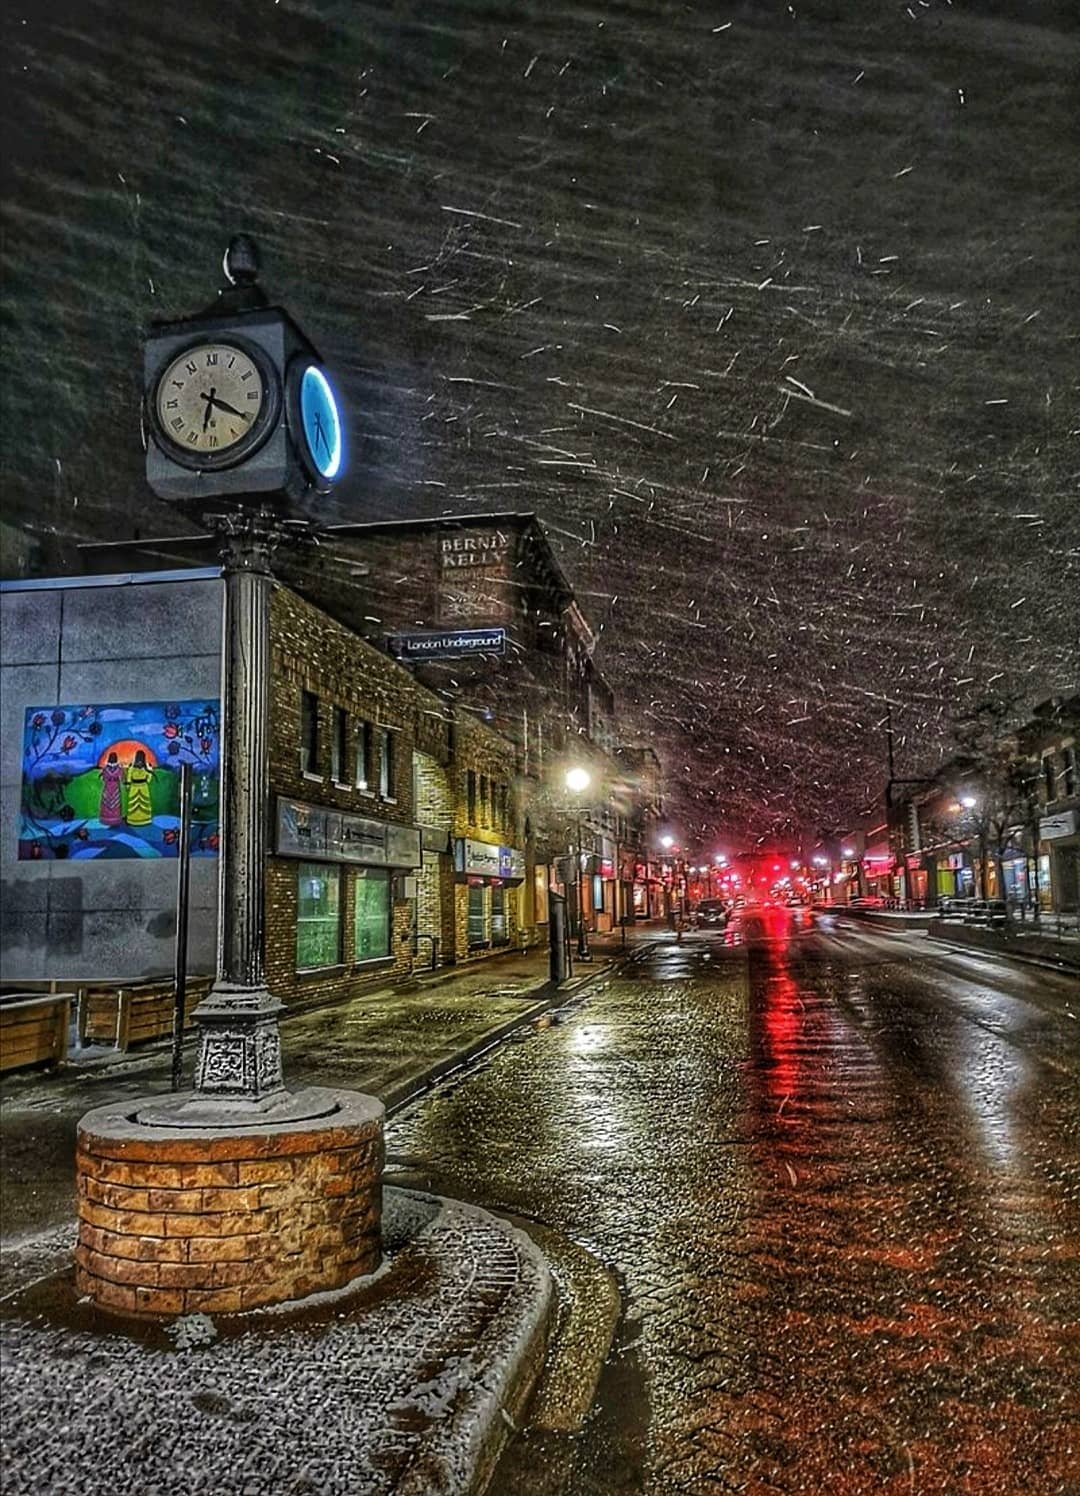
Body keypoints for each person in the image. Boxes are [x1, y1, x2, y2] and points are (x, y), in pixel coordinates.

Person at [124, 750, 154, 827]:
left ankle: (133, 820)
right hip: (144, 788)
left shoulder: (132, 767)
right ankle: (145, 819)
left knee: (133, 803)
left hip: (134, 787)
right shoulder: (146, 767)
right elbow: (148, 780)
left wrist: (128, 787)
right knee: (144, 803)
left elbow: (129, 778)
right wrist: (150, 770)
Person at [98, 751, 124, 826]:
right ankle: (113, 819)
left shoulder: (105, 768)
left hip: (108, 786)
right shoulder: (119, 768)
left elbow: (103, 778)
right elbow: (122, 778)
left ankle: (108, 819)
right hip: (115, 786)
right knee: (112, 802)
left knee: (109, 802)